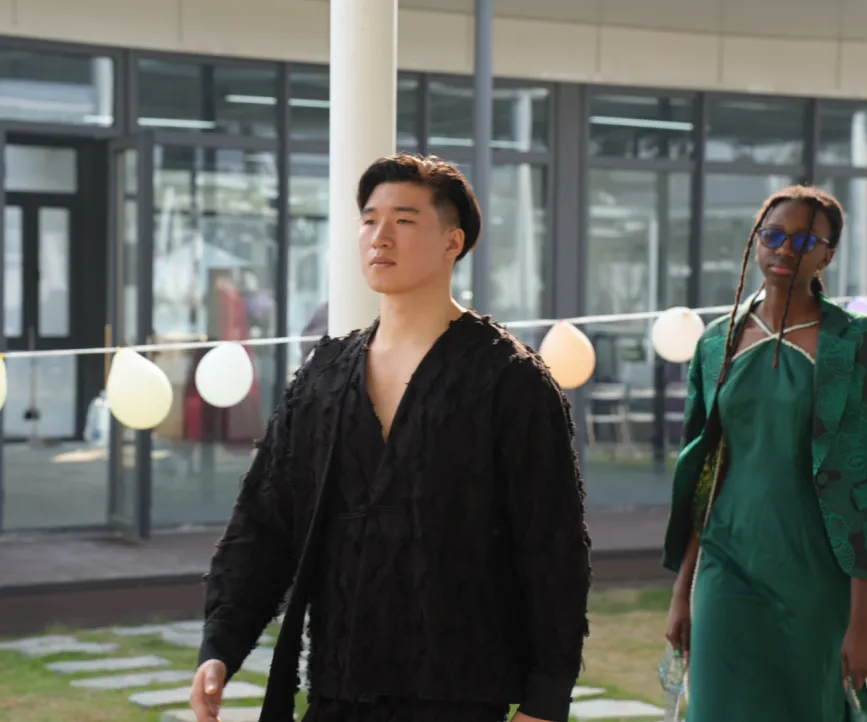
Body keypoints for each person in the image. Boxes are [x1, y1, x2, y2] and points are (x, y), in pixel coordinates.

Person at [188, 153, 591, 722]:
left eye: (403, 220)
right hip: (337, 685)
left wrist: (547, 697)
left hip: (459, 692)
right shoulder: (325, 374)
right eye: (369, 220)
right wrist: (221, 645)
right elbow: (265, 520)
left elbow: (552, 544)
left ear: (453, 241)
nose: (380, 236)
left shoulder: (510, 377)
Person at [661, 185, 867, 721]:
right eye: (773, 235)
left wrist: (863, 621)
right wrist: (682, 591)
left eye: (804, 240)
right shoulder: (715, 342)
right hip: (726, 565)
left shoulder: (861, 341)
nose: (784, 249)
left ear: (827, 255)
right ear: (756, 241)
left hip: (817, 572)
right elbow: (704, 474)